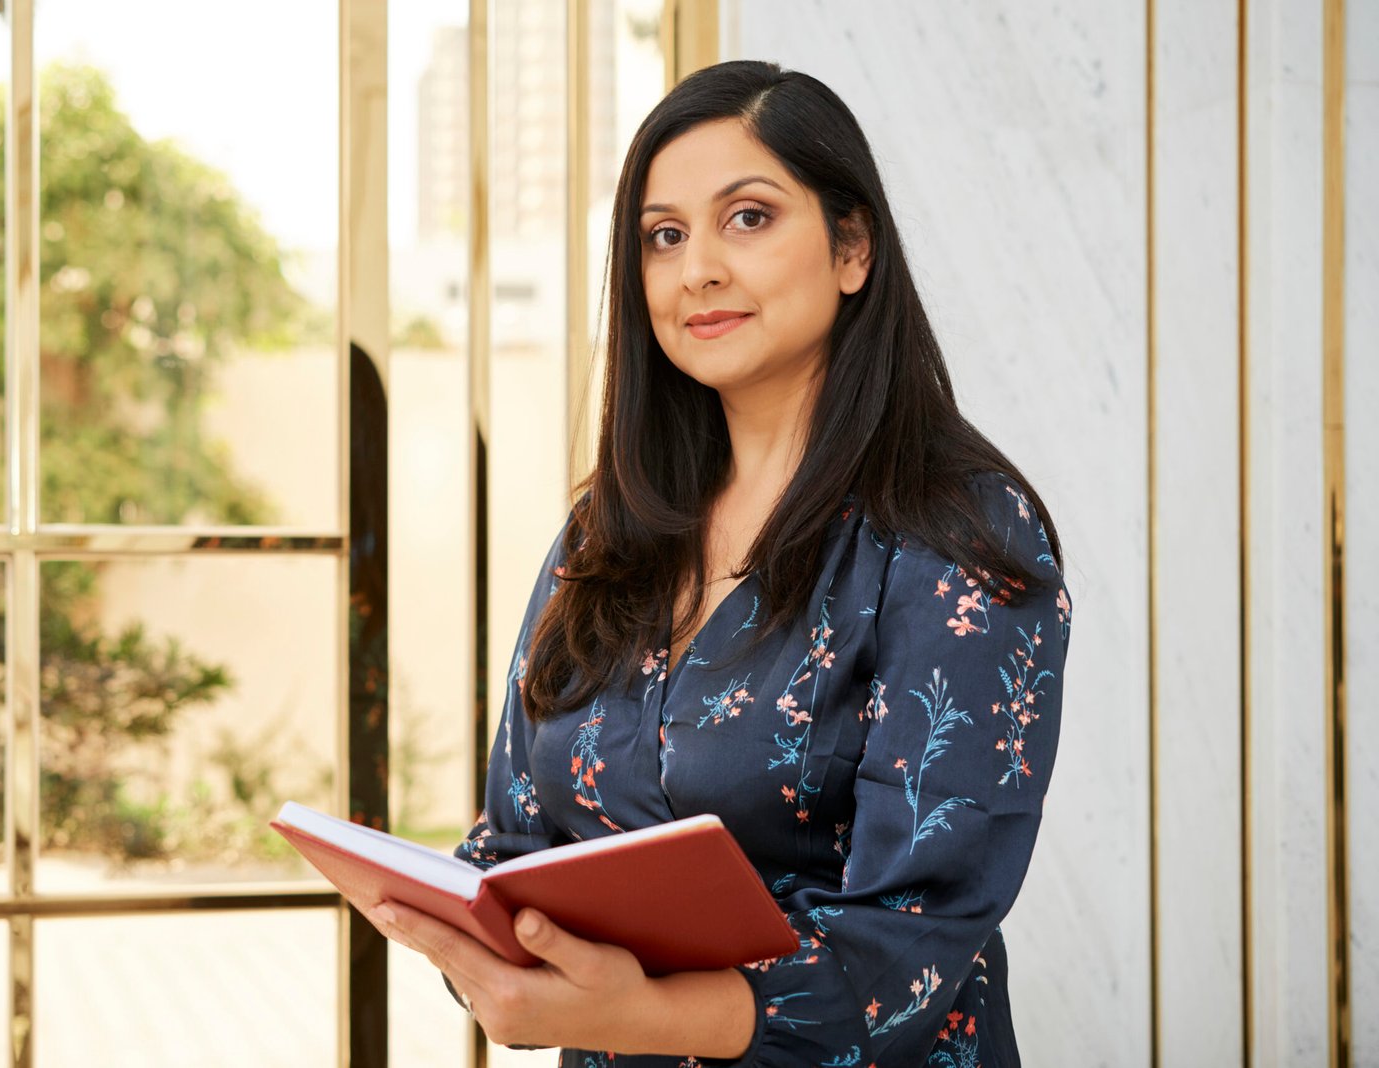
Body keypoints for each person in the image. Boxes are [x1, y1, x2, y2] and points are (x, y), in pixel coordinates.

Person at [361, 58, 1074, 1066]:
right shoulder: (606, 536)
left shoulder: (960, 533)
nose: (696, 267)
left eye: (747, 217)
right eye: (663, 236)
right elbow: (513, 839)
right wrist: (476, 945)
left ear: (851, 247)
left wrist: (632, 1014)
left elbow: (912, 942)